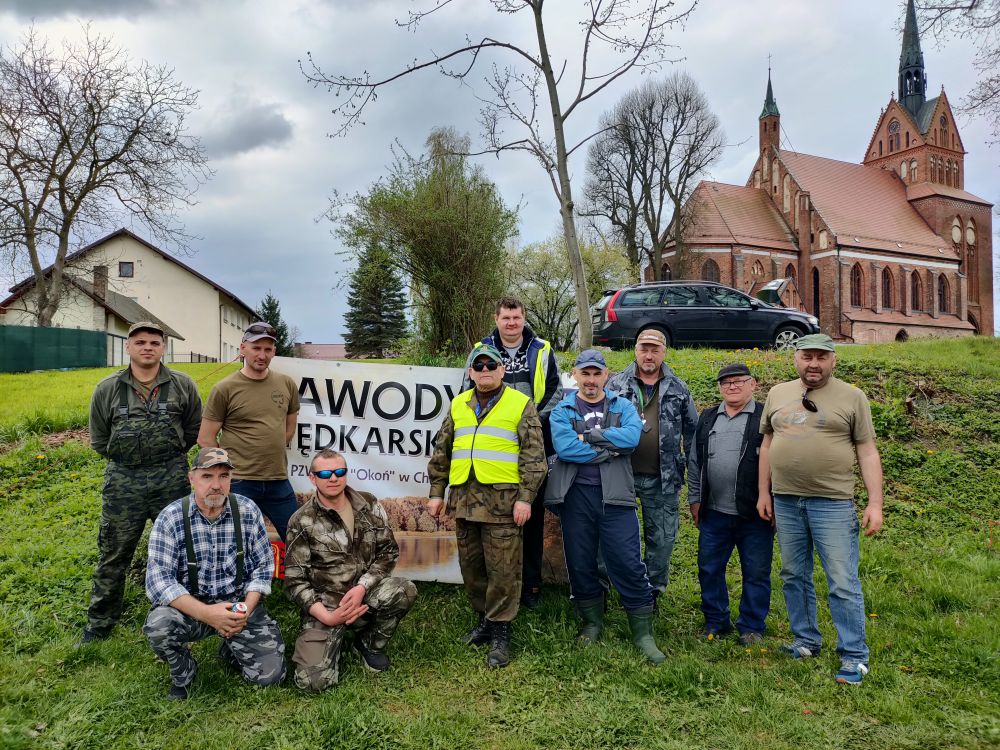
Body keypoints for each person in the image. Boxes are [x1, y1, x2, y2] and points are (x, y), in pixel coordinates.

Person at [757, 333, 884, 685]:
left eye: (821, 357)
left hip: (832, 503)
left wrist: (875, 503)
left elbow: (867, 451)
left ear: (833, 360)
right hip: (785, 500)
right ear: (795, 358)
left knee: (842, 581)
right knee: (793, 575)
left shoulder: (852, 397)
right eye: (806, 356)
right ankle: (806, 640)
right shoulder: (778, 393)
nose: (813, 363)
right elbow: (767, 444)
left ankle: (854, 655)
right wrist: (763, 493)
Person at [81, 321, 202, 644]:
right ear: (128, 347)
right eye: (140, 342)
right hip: (124, 482)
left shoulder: (182, 385)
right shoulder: (108, 388)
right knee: (114, 552)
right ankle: (100, 622)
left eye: (154, 342)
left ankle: (185, 614)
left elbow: (193, 430)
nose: (147, 347)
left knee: (181, 547)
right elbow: (99, 439)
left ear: (163, 348)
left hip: (171, 480)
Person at [427, 343, 546, 668]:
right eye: (478, 367)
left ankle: (500, 632)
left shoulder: (521, 404)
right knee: (472, 568)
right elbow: (442, 451)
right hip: (464, 503)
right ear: (470, 373)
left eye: (490, 366)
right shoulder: (458, 404)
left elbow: (534, 457)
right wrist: (437, 492)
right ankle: (483, 620)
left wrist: (525, 498)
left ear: (501, 370)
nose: (484, 372)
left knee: (503, 570)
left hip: (504, 505)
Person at [546, 349, 666, 664]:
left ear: (606, 375)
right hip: (576, 496)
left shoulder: (623, 405)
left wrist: (589, 437)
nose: (590, 380)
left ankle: (642, 632)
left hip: (616, 497)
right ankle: (592, 621)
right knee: (581, 561)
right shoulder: (563, 409)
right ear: (576, 375)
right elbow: (566, 448)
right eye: (584, 373)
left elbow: (630, 439)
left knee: (627, 561)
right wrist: (607, 450)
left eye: (596, 373)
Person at [143, 448, 286, 700]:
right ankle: (184, 672)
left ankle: (231, 645)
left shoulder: (247, 510)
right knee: (159, 626)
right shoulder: (171, 518)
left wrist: (244, 611)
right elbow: (159, 582)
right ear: (192, 479)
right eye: (207, 476)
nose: (217, 485)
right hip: (193, 609)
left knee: (270, 677)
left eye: (224, 476)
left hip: (238, 608)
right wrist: (208, 614)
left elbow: (263, 568)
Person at [284, 449, 417, 690]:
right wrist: (327, 616)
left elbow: (388, 553)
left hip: (364, 596)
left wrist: (361, 587)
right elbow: (294, 582)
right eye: (325, 473)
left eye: (339, 472)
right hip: (326, 606)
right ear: (313, 478)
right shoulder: (301, 520)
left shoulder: (369, 504)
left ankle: (367, 644)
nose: (333, 478)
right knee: (312, 683)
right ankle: (330, 634)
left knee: (403, 590)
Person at [464, 296, 562, 608]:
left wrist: (530, 423)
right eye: (506, 318)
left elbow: (556, 392)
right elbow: (466, 392)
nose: (511, 323)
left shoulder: (542, 350)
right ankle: (497, 590)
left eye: (516, 317)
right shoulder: (481, 350)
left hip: (532, 447)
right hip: (493, 450)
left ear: (523, 318)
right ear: (496, 319)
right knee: (495, 521)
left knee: (530, 518)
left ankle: (531, 586)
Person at [687, 363, 773, 646]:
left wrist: (773, 500)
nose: (732, 386)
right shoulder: (709, 417)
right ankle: (716, 621)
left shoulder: (765, 418)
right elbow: (695, 461)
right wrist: (696, 498)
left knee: (756, 572)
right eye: (725, 383)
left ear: (753, 384)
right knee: (709, 568)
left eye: (739, 381)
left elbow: (779, 462)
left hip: (754, 514)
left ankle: (751, 626)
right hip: (714, 512)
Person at [607, 328, 697, 598]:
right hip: (621, 476)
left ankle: (652, 592)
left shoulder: (679, 387)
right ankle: (620, 587)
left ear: (664, 353)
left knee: (662, 540)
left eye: (654, 350)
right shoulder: (615, 385)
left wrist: (695, 476)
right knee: (619, 539)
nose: (648, 355)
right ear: (635, 350)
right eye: (644, 349)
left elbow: (693, 431)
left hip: (663, 478)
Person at [198, 322, 300, 541]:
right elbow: (205, 438)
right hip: (240, 482)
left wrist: (268, 450)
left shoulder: (286, 384)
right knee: (236, 545)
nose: (262, 355)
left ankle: (297, 576)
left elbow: (290, 427)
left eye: (268, 349)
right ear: (243, 348)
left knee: (298, 539)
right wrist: (225, 471)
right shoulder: (225, 388)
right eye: (256, 348)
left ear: (274, 352)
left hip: (278, 480)